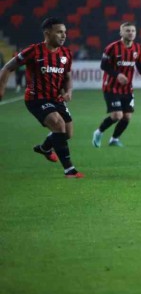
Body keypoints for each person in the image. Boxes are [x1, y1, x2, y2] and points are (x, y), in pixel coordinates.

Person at [0, 18, 83, 178]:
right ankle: (69, 170)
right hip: (36, 98)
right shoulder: (34, 51)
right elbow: (8, 67)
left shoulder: (66, 54)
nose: (63, 35)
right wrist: (1, 88)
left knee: (67, 133)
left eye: (65, 32)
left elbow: (67, 76)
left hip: (56, 98)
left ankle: (45, 148)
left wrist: (69, 91)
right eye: (59, 32)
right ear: (47, 33)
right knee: (58, 125)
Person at [92, 22, 141, 148]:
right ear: (121, 33)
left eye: (133, 31)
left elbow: (139, 65)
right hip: (111, 86)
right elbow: (103, 65)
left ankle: (114, 139)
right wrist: (117, 75)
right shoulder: (112, 47)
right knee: (117, 115)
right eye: (127, 31)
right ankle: (98, 132)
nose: (130, 33)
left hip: (127, 88)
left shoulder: (138, 48)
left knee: (127, 116)